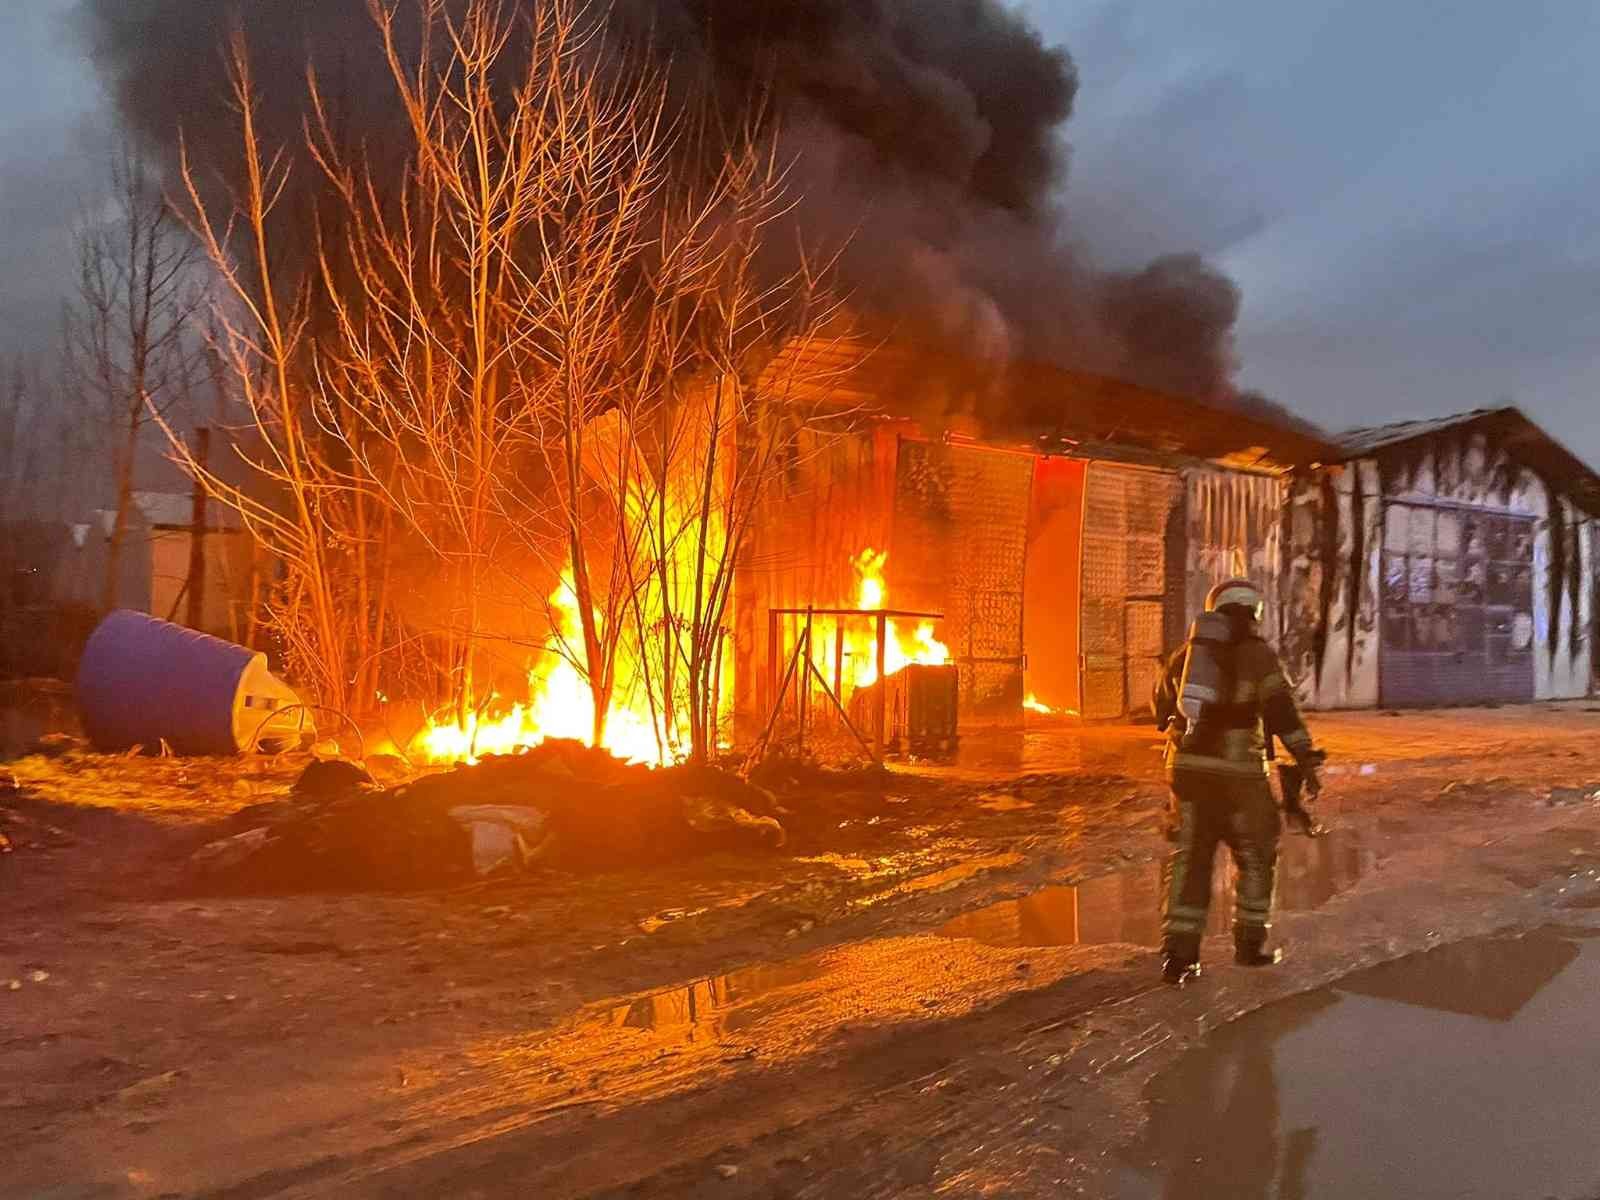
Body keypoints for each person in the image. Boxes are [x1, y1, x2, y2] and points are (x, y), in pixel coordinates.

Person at [1152, 578, 1323, 986]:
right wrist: (1305, 759)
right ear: (1254, 612)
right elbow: (1283, 713)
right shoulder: (1259, 655)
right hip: (1240, 776)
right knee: (1257, 854)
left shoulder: (1186, 656)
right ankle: (1249, 945)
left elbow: (1161, 711)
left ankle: (1179, 959)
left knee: (1190, 860)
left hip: (1188, 774)